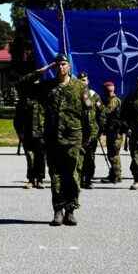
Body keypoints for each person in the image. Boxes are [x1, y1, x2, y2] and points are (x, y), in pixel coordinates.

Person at [23, 54, 91, 226]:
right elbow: (23, 85)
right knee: (56, 176)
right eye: (58, 65)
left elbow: (87, 114)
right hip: (53, 137)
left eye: (64, 64)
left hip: (74, 137)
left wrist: (88, 137)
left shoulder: (80, 87)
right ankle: (58, 211)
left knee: (73, 175)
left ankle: (71, 210)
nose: (61, 67)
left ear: (69, 66)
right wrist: (42, 70)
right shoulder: (47, 86)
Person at [15, 72, 46, 189]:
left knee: (41, 156)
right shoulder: (23, 101)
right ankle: (31, 179)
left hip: (41, 132)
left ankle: (40, 179)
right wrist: (20, 133)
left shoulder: (44, 100)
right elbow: (17, 119)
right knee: (30, 156)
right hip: (27, 132)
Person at [77, 72, 101, 189]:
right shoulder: (74, 94)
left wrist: (101, 128)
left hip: (92, 132)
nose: (83, 82)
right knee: (78, 156)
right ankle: (79, 179)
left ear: (88, 81)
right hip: (78, 130)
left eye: (85, 80)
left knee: (90, 156)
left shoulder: (94, 95)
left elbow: (102, 112)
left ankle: (88, 179)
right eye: (81, 80)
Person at [100, 81, 124, 184]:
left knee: (114, 154)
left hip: (115, 132)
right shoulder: (111, 100)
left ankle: (117, 175)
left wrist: (99, 107)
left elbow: (107, 112)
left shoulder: (114, 101)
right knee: (112, 153)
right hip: (111, 131)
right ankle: (113, 174)